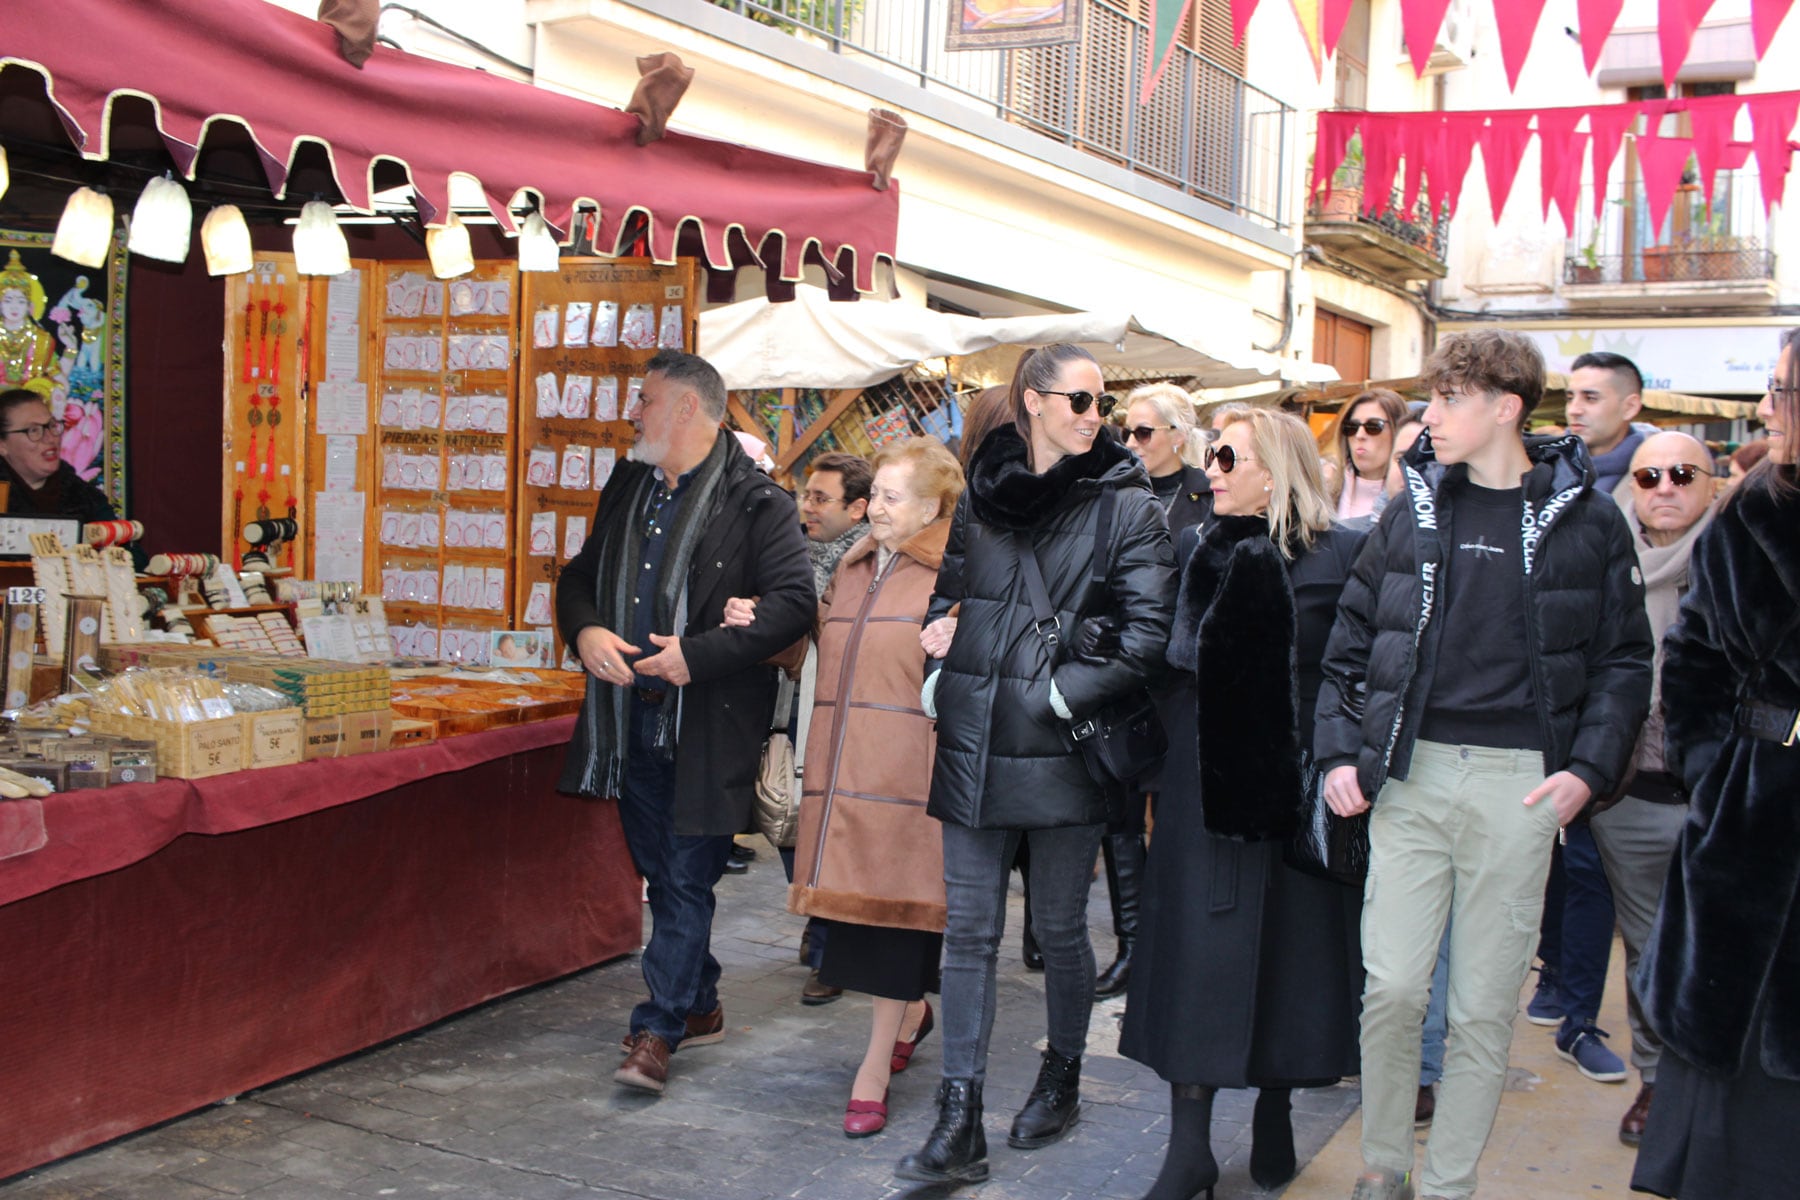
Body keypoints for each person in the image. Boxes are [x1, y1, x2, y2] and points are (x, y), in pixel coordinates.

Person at [1316, 329, 1652, 1200]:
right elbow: (1350, 643)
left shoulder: (1588, 517)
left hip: (1524, 784)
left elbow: (1624, 659)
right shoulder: (1414, 506)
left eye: (1452, 399)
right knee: (1391, 988)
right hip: (1412, 774)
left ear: (1506, 407)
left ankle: (1450, 1183)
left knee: (1481, 1008)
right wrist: (1337, 755)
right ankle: (1384, 1164)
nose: (1433, 415)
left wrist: (1587, 770)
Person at [895, 343, 1176, 1186]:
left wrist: (1058, 697)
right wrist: (940, 673)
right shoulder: (983, 495)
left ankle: (1062, 1076)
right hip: (974, 739)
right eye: (1081, 401)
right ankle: (959, 1118)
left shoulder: (1127, 505)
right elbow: (949, 597)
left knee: (1057, 929)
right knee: (970, 933)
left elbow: (1149, 638)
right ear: (1032, 402)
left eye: (1103, 403)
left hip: (1062, 747)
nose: (1096, 417)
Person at [1121, 407, 1367, 1200]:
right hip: (1202, 790)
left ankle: (1276, 1108)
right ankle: (1187, 1145)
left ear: (1277, 469)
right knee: (1196, 953)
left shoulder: (1344, 557)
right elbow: (1169, 662)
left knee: (1291, 959)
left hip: (1294, 787)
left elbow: (1354, 673)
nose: (1212, 469)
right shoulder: (1199, 546)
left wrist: (1334, 760)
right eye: (1212, 455)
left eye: (1228, 456)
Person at [556, 349, 815, 1096]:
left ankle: (657, 1028)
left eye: (644, 400)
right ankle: (698, 1002)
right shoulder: (629, 481)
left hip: (708, 724)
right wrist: (587, 633)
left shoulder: (757, 501)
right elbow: (579, 576)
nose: (632, 413)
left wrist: (694, 657)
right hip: (627, 720)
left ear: (686, 410)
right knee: (664, 875)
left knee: (686, 876)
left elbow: (794, 603)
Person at [732, 438, 964, 1139]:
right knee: (858, 930)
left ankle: (870, 1070)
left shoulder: (955, 575)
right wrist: (763, 631)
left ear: (932, 507)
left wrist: (963, 631)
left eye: (893, 498)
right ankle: (915, 1016)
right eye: (878, 495)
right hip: (843, 782)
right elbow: (821, 655)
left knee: (895, 929)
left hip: (909, 785)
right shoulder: (856, 565)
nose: (877, 509)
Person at [1631, 329, 1800, 1200]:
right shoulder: (1752, 510)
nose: (1768, 410)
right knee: (1734, 1041)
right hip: (1752, 816)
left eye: (1781, 392)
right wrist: (1718, 772)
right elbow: (1691, 661)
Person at [1587, 431, 1718, 1145]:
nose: (1664, 487)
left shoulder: (1745, 559)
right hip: (1632, 795)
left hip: (1726, 799)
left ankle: (1717, 1093)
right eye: (1648, 475)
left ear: (1711, 481)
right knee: (1648, 950)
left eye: (1681, 473)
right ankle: (1657, 1084)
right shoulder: (1603, 558)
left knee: (1725, 949)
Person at [1530, 351, 1648, 1085]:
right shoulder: (1546, 482)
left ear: (1630, 406)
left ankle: (1587, 1017)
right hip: (1554, 720)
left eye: (1592, 397)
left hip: (1627, 734)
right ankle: (1558, 985)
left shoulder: (1652, 479)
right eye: (1569, 395)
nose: (1575, 409)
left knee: (1604, 882)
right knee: (1564, 870)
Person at [1101, 382, 1212, 998]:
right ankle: (1133, 948)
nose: (1133, 442)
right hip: (1121, 678)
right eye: (1128, 431)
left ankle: (1175, 948)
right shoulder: (1118, 493)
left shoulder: (1208, 494)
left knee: (1173, 819)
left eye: (1144, 431)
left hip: (1180, 681)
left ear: (1177, 434)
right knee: (1116, 817)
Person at [788, 450, 874, 1005]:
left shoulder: (869, 562)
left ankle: (832, 947)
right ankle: (820, 921)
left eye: (821, 498)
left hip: (849, 712)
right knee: (793, 819)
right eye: (805, 495)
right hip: (792, 704)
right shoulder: (793, 552)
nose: (808, 507)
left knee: (837, 827)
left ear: (857, 508)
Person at [0, 389, 122, 526]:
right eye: (33, 430)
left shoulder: (84, 497)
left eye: (52, 426)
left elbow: (120, 544)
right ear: (2, 445)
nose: (51, 438)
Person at [1329, 389, 1409, 521]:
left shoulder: (1416, 498)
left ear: (1398, 430)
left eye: (1373, 426)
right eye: (1352, 427)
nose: (1359, 435)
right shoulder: (1323, 489)